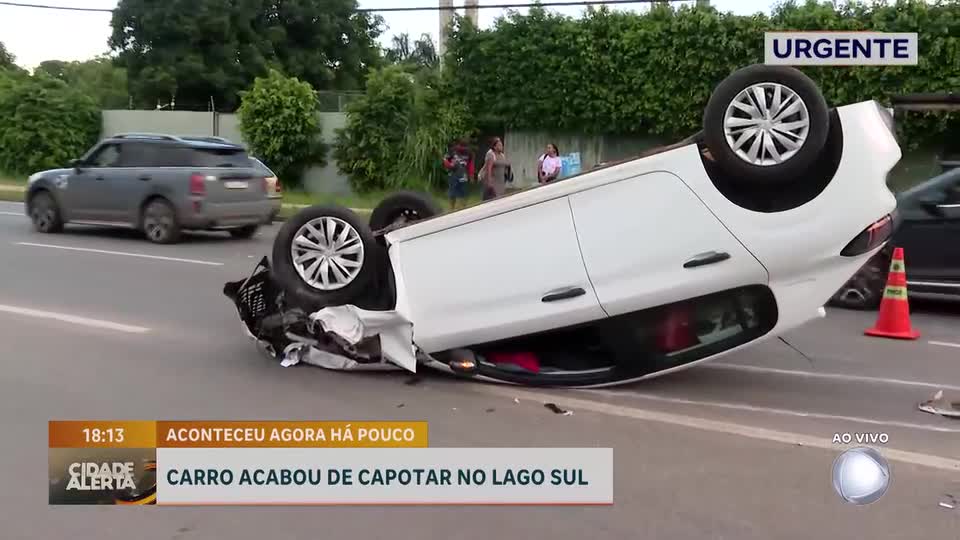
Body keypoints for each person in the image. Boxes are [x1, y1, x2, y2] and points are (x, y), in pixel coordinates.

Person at [443, 139, 474, 210]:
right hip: (453, 175)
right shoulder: (453, 151)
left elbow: (470, 165)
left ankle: (463, 208)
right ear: (458, 145)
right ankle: (451, 208)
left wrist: (471, 175)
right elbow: (445, 160)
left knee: (463, 193)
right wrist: (449, 165)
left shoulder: (469, 153)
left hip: (463, 175)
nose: (463, 148)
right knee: (452, 193)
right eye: (462, 146)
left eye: (465, 146)